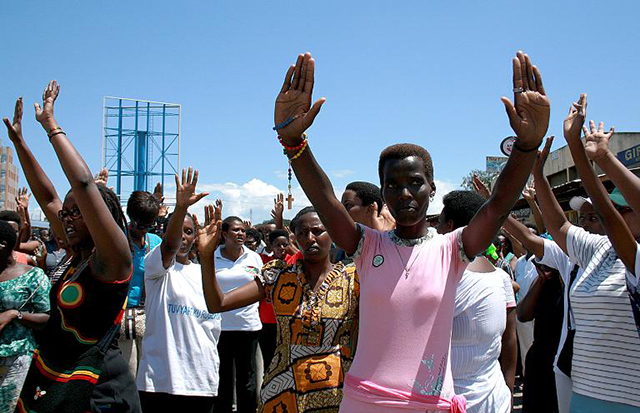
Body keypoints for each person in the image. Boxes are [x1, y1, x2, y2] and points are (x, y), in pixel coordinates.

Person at [272, 50, 549, 412]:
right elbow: (326, 201)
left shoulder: (453, 249)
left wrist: (526, 146)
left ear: (432, 188)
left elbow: (497, 204)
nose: (404, 193)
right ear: (382, 190)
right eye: (393, 184)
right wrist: (293, 143)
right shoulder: (365, 245)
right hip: (364, 402)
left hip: (431, 404)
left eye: (415, 183)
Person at [5, 82, 140, 412]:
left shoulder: (112, 261)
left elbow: (82, 184)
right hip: (53, 377)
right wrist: (19, 142)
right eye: (65, 215)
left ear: (99, 217)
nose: (65, 220)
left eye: (76, 213)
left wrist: (51, 124)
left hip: (98, 388)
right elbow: (49, 197)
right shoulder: (72, 256)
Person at [200, 205, 359, 412]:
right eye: (302, 233)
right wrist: (205, 256)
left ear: (331, 233)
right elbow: (217, 304)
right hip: (283, 392)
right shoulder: (277, 276)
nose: (310, 238)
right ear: (296, 239)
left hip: (337, 392)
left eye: (318, 231)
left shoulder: (353, 279)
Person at [544, 93, 640, 412]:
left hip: (629, 400)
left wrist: (603, 159)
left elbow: (605, 213)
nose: (612, 215)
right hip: (584, 392)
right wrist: (538, 161)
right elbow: (557, 224)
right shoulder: (598, 249)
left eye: (622, 210)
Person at [136, 168, 221, 411]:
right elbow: (169, 247)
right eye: (178, 230)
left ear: (196, 237)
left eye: (189, 232)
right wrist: (181, 207)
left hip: (201, 382)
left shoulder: (204, 274)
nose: (183, 237)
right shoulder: (157, 267)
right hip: (162, 383)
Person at [436, 190, 517, 413]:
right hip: (494, 399)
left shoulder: (439, 279)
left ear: (450, 227)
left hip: (449, 400)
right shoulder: (501, 277)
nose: (436, 229)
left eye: (440, 223)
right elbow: (510, 340)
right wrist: (508, 390)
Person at [209, 211, 263, 413]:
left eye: (243, 230)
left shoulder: (254, 258)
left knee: (246, 378)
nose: (241, 233)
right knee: (222, 377)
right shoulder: (211, 258)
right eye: (235, 230)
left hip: (248, 327)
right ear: (224, 234)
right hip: (220, 327)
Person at [0, 220, 50, 412]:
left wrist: (14, 314)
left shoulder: (33, 276)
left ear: (3, 245)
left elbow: (46, 317)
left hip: (17, 359)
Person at [118, 191, 162, 378]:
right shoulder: (118, 239)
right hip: (121, 316)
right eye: (139, 224)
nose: (143, 229)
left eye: (149, 225)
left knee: (149, 372)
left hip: (150, 315)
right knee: (128, 372)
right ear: (130, 216)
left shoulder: (156, 243)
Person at [517, 261, 563, 413]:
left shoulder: (572, 281)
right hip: (539, 361)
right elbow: (523, 314)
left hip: (562, 364)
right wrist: (541, 280)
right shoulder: (544, 282)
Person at [258, 228, 291, 371]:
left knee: (286, 361)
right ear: (270, 246)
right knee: (269, 361)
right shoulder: (263, 261)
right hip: (266, 321)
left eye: (285, 245)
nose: (282, 248)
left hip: (286, 321)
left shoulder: (294, 261)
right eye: (278, 245)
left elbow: (301, 255)